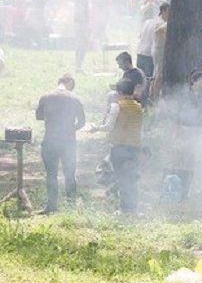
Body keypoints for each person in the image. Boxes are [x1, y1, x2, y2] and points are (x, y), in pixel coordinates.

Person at [36, 74, 86, 214]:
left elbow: (39, 116)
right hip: (68, 142)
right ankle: (71, 206)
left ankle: (51, 206)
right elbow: (82, 123)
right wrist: (71, 129)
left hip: (50, 140)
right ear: (69, 83)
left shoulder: (45, 97)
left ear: (59, 82)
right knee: (70, 174)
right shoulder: (75, 99)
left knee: (51, 174)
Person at [91, 79, 143, 213]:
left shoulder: (116, 106)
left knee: (122, 178)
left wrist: (96, 128)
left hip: (120, 147)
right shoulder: (138, 107)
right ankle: (133, 208)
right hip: (135, 147)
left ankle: (125, 209)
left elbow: (109, 126)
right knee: (131, 178)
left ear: (120, 92)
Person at [172, 71, 202, 199]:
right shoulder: (185, 95)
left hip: (201, 129)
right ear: (193, 81)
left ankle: (196, 189)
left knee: (199, 159)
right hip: (186, 129)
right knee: (185, 159)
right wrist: (178, 130)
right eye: (201, 80)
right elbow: (178, 114)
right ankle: (183, 187)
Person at [136, 3, 169, 82]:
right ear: (163, 11)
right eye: (169, 11)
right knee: (150, 80)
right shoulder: (162, 24)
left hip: (140, 53)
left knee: (141, 82)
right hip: (149, 56)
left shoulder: (148, 22)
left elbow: (140, 36)